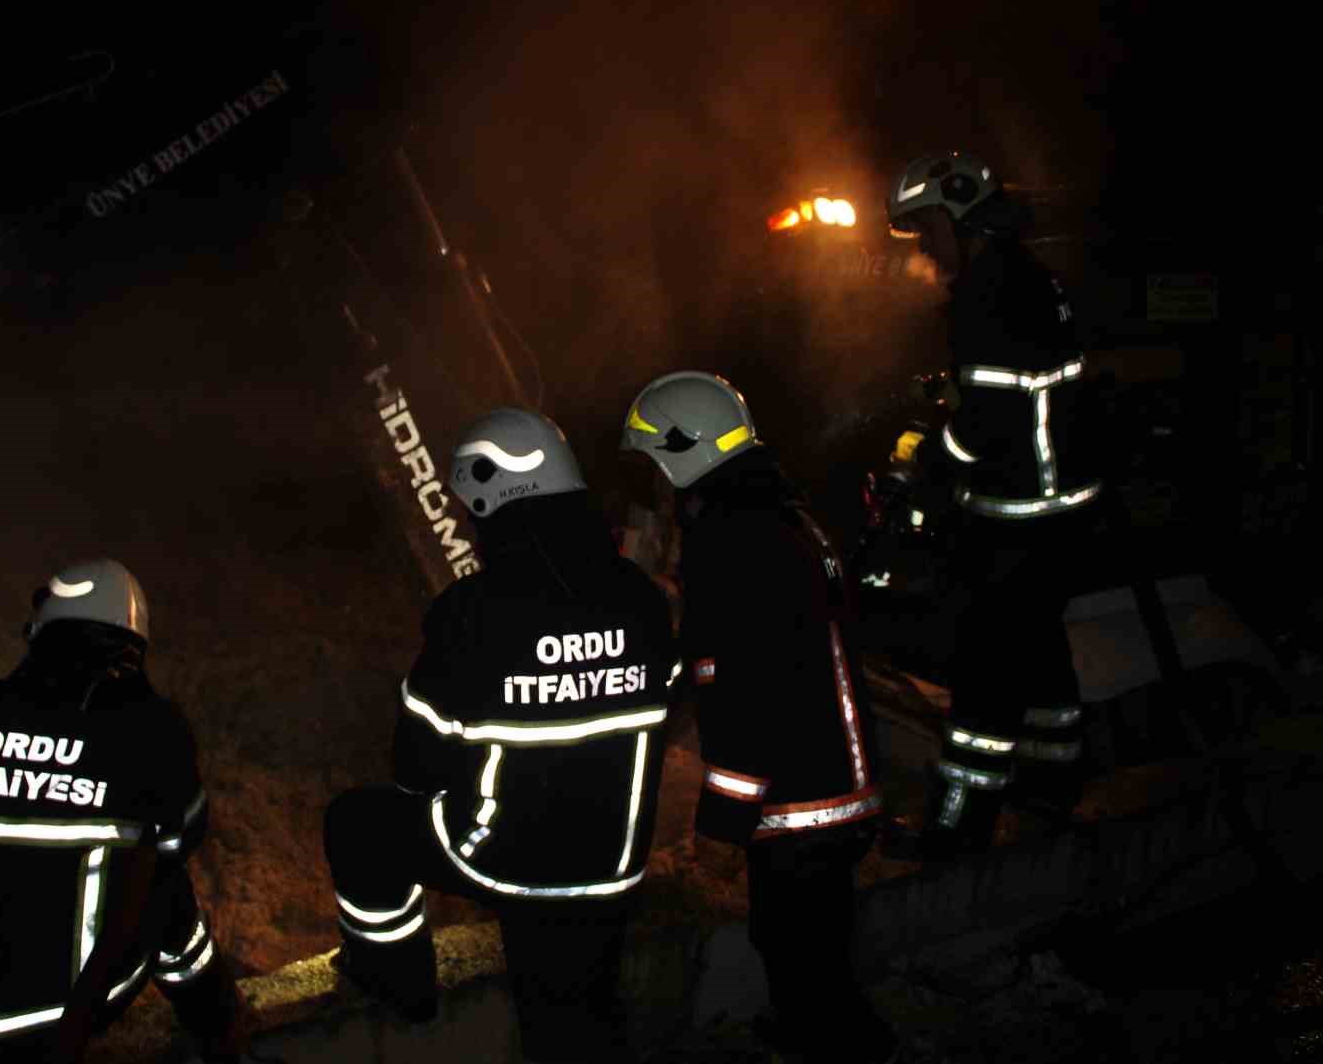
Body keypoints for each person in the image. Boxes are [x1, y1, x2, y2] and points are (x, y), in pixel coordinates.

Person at [323, 408, 678, 1063]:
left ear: (494, 499)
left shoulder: (469, 615)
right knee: (584, 1021)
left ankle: (401, 986)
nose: (468, 525)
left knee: (355, 825)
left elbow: (414, 767)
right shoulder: (645, 601)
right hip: (616, 864)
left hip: (506, 861)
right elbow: (669, 713)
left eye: (471, 510)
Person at [0, 559, 248, 1063]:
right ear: (132, 648)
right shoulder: (148, 728)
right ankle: (220, 1027)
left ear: (42, 633)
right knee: (162, 884)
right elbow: (182, 835)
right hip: (49, 1027)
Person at [620, 371, 899, 1064]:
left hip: (802, 804)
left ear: (687, 453)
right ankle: (817, 1033)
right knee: (817, 950)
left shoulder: (731, 543)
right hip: (842, 789)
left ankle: (841, 1047)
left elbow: (742, 694)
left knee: (801, 957)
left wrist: (721, 823)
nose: (654, 483)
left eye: (657, 464)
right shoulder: (786, 517)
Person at [881, 151, 1105, 858]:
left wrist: (926, 458)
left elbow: (989, 425)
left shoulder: (986, 292)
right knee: (1041, 658)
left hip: (1018, 518)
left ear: (958, 218)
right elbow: (1016, 395)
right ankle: (1049, 790)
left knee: (986, 672)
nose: (923, 247)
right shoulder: (1029, 278)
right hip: (1060, 512)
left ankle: (956, 829)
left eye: (926, 230)